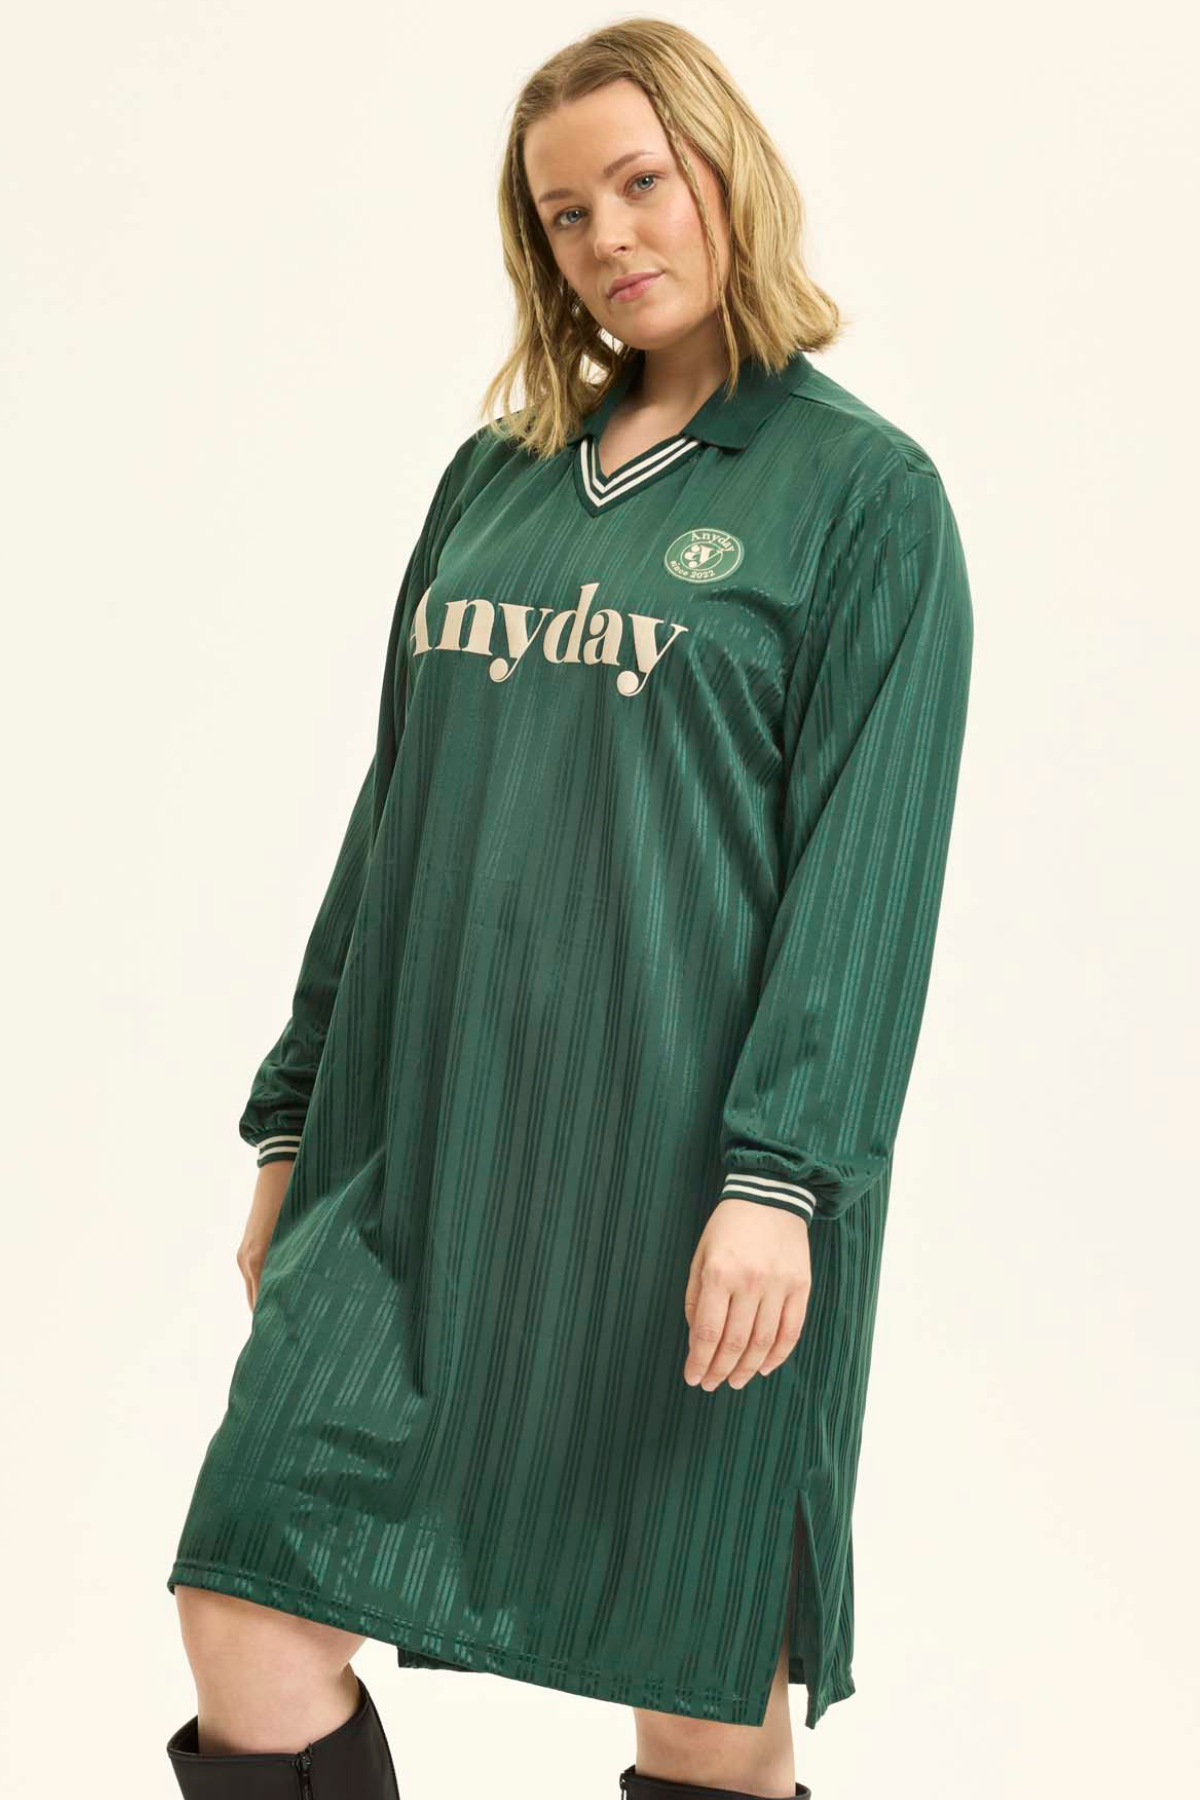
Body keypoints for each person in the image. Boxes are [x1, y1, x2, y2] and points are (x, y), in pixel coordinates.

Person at [164, 18, 973, 1800]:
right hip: (420, 1164)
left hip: (690, 1190)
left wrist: (779, 1180)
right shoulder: (496, 480)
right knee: (247, 1611)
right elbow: (394, 815)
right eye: (563, 212)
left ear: (723, 174)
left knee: (700, 1704)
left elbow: (869, 882)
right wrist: (294, 1118)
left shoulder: (864, 501)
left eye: (640, 182)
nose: (609, 235)